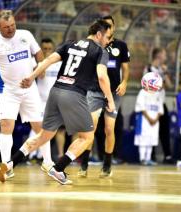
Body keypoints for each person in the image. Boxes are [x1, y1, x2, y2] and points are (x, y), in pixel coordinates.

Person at [0, 19, 115, 185]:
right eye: (108, 37)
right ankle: (59, 169)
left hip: (56, 91)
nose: (109, 41)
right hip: (74, 94)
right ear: (99, 34)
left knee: (44, 135)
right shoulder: (100, 51)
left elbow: (48, 60)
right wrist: (110, 100)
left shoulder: (70, 44)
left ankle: (10, 164)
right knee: (87, 137)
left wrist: (31, 76)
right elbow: (102, 76)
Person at [0, 10, 54, 180]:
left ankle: (47, 162)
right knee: (5, 127)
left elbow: (39, 53)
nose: (11, 29)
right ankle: (6, 166)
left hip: (30, 90)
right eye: (6, 27)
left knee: (40, 127)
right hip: (8, 92)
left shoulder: (25, 35)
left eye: (13, 25)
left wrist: (40, 69)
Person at [78, 15, 130, 178]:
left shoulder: (120, 45)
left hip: (114, 93)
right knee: (89, 128)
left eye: (110, 25)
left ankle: (107, 165)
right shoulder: (93, 45)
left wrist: (125, 83)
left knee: (109, 129)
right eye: (104, 26)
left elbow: (126, 68)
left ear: (113, 28)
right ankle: (84, 165)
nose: (107, 28)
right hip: (94, 90)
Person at [28, 38, 63, 162]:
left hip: (55, 102)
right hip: (40, 101)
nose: (47, 51)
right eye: (45, 49)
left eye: (49, 49)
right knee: (37, 128)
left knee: (49, 130)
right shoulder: (35, 62)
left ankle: (41, 156)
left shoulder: (59, 63)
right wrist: (41, 64)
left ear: (53, 50)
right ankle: (30, 155)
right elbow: (35, 75)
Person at [145, 47, 173, 164]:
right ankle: (150, 156)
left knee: (164, 130)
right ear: (158, 56)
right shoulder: (148, 69)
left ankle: (167, 156)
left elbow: (170, 85)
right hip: (151, 104)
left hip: (161, 103)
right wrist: (160, 84)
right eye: (164, 54)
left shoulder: (162, 69)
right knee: (151, 130)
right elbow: (149, 86)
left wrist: (165, 73)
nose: (165, 57)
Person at [134, 88, 163, 166]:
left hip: (155, 121)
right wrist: (149, 119)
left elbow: (160, 109)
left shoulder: (158, 93)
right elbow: (141, 107)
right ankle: (142, 158)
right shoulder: (142, 92)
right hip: (144, 119)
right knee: (143, 139)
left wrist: (155, 119)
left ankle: (148, 158)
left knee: (151, 140)